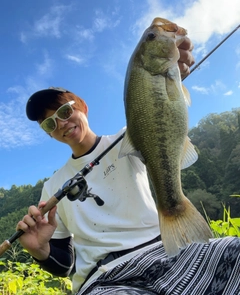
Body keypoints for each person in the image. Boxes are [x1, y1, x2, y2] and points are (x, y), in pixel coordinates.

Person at [17, 37, 240, 295]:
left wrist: (171, 72)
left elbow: (161, 111)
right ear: (49, 134)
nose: (61, 123)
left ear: (83, 108)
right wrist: (40, 250)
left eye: (64, 112)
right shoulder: (52, 187)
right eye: (49, 124)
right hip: (107, 278)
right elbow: (65, 265)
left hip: (168, 253)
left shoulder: (132, 135)